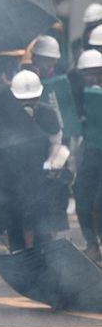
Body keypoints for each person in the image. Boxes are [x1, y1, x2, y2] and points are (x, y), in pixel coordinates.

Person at [10, 70, 64, 248]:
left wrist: (50, 162)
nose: (27, 104)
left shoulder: (48, 114)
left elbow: (55, 141)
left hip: (41, 173)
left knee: (41, 219)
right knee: (17, 222)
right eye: (22, 100)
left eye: (31, 99)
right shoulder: (7, 115)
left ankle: (43, 253)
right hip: (15, 174)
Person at [73, 50, 102, 262]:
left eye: (96, 73)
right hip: (89, 148)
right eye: (87, 74)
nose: (91, 78)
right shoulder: (75, 92)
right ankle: (91, 242)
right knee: (82, 194)